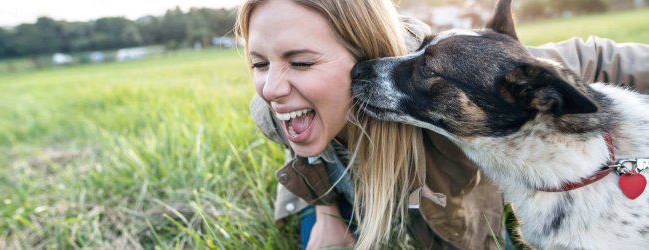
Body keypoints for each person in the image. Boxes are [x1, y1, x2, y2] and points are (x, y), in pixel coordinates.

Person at [235, 0, 649, 249]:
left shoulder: (481, 68)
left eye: (302, 61)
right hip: (352, 204)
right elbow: (304, 151)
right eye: (258, 63)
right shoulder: (277, 107)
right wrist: (326, 215)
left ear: (364, 48)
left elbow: (594, 57)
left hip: (448, 218)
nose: (271, 88)